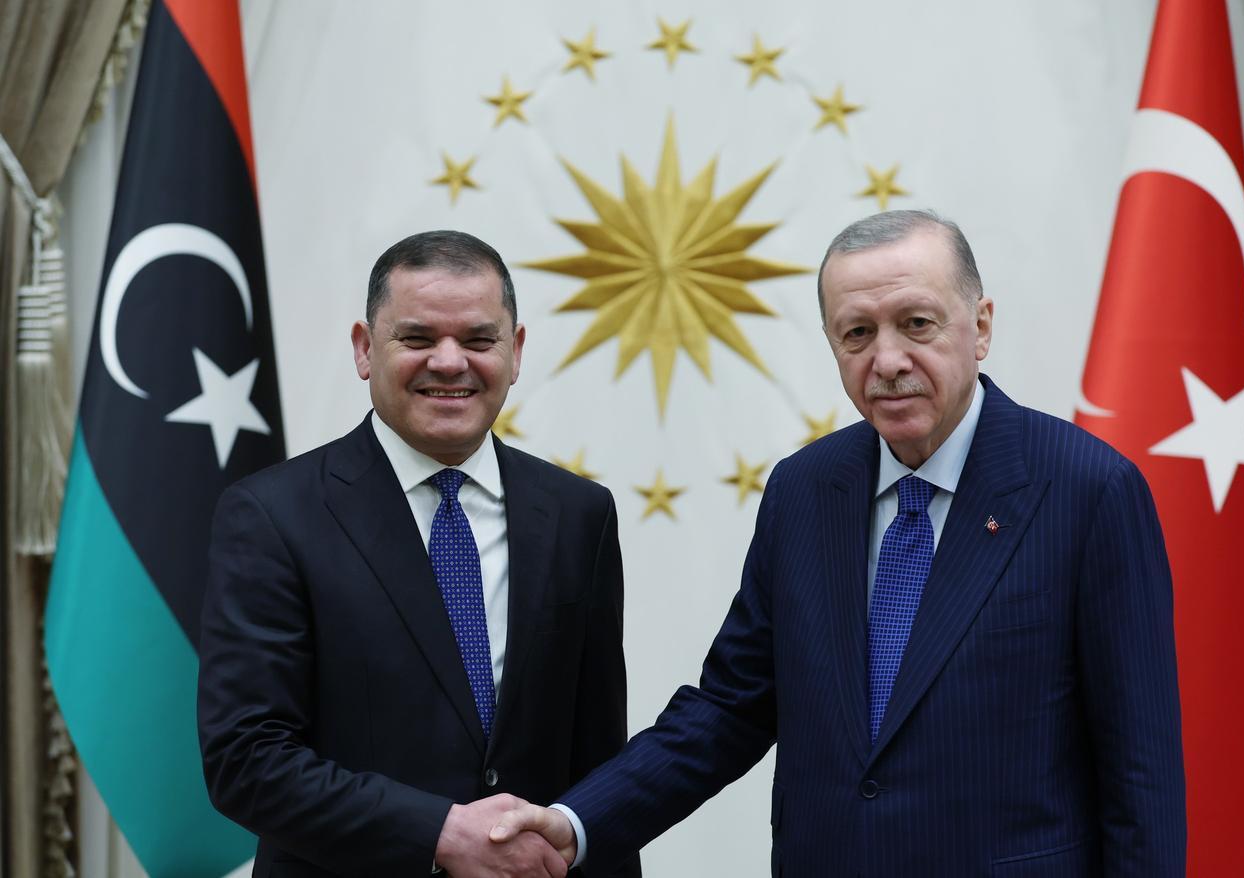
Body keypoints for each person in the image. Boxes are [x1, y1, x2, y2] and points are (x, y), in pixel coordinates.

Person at [491, 210, 1186, 875]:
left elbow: (1140, 774)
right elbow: (730, 707)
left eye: (916, 324)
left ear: (979, 327)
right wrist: (576, 823)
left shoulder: (1088, 491)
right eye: (856, 334)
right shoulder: (804, 491)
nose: (887, 360)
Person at [198, 230, 640, 878]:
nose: (450, 362)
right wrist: (436, 833)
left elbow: (598, 765)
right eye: (419, 339)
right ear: (363, 349)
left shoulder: (578, 514)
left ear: (515, 353)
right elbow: (246, 760)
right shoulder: (271, 516)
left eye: (479, 340)